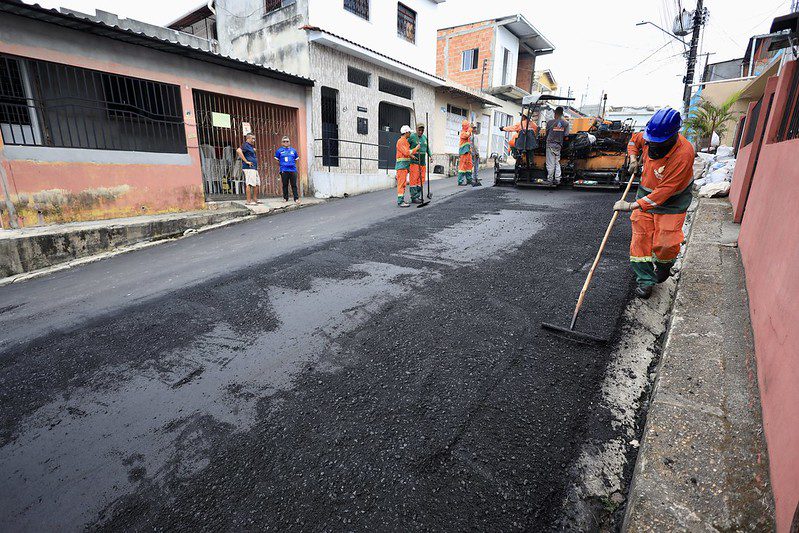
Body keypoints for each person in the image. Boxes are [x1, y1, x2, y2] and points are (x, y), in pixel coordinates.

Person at [613, 108, 695, 299]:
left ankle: (665, 266)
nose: (652, 145)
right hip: (645, 193)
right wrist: (633, 158)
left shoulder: (684, 154)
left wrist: (631, 206)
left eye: (658, 142)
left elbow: (665, 191)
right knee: (640, 239)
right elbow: (634, 140)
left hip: (672, 202)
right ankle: (645, 280)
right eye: (651, 140)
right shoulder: (651, 135)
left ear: (672, 136)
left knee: (666, 243)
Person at [395, 125, 420, 207]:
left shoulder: (404, 141)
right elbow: (406, 152)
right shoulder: (401, 141)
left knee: (403, 184)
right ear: (406, 132)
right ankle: (400, 201)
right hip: (401, 166)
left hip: (404, 166)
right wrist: (416, 148)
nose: (410, 134)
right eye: (409, 132)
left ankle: (401, 200)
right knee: (401, 184)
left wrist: (412, 156)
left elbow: (406, 153)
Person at [544, 107, 570, 184]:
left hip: (550, 144)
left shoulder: (549, 122)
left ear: (555, 113)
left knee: (550, 163)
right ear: (562, 113)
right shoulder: (566, 123)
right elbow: (566, 135)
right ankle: (558, 179)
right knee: (557, 162)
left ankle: (550, 179)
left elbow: (547, 133)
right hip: (558, 145)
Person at [408, 123, 431, 203]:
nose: (421, 132)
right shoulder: (412, 137)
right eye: (419, 130)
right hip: (414, 161)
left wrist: (430, 156)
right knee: (414, 180)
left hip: (422, 162)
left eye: (422, 130)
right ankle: (414, 197)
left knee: (421, 180)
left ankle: (417, 195)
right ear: (416, 129)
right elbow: (405, 147)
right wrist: (410, 154)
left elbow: (427, 148)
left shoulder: (425, 138)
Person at [274, 136, 301, 203]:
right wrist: (282, 165)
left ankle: (296, 198)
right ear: (281, 143)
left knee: (294, 185)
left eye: (287, 141)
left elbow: (296, 160)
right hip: (284, 170)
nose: (286, 142)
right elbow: (276, 160)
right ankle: (285, 198)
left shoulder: (293, 150)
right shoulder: (279, 151)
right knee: (285, 185)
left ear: (289, 142)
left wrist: (291, 165)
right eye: (284, 141)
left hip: (293, 170)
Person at [236, 133, 259, 205]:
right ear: (248, 138)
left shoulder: (250, 146)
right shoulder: (245, 145)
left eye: (254, 139)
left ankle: (255, 199)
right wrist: (246, 161)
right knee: (249, 184)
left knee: (256, 183)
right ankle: (248, 201)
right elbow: (238, 150)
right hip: (249, 168)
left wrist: (253, 150)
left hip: (254, 167)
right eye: (252, 138)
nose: (254, 140)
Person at [457, 120, 473, 186]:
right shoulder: (463, 133)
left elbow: (469, 141)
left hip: (468, 152)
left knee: (469, 166)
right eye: (467, 126)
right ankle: (460, 181)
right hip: (463, 152)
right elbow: (467, 135)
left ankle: (469, 180)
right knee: (462, 167)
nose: (468, 127)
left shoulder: (467, 132)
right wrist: (470, 129)